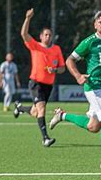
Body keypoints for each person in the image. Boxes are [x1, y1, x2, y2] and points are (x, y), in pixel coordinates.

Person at [49, 8, 101, 170]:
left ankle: (62, 115)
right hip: (95, 85)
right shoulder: (89, 42)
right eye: (100, 22)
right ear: (95, 25)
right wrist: (78, 76)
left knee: (94, 126)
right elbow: (69, 60)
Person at [14, 8, 65, 147]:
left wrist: (54, 69)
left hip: (48, 85)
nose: (48, 37)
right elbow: (24, 34)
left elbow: (62, 68)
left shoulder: (57, 49)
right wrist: (28, 18)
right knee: (41, 109)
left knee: (36, 112)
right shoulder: (35, 46)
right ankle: (45, 138)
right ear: (41, 36)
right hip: (36, 83)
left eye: (50, 35)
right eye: (46, 35)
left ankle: (19, 108)